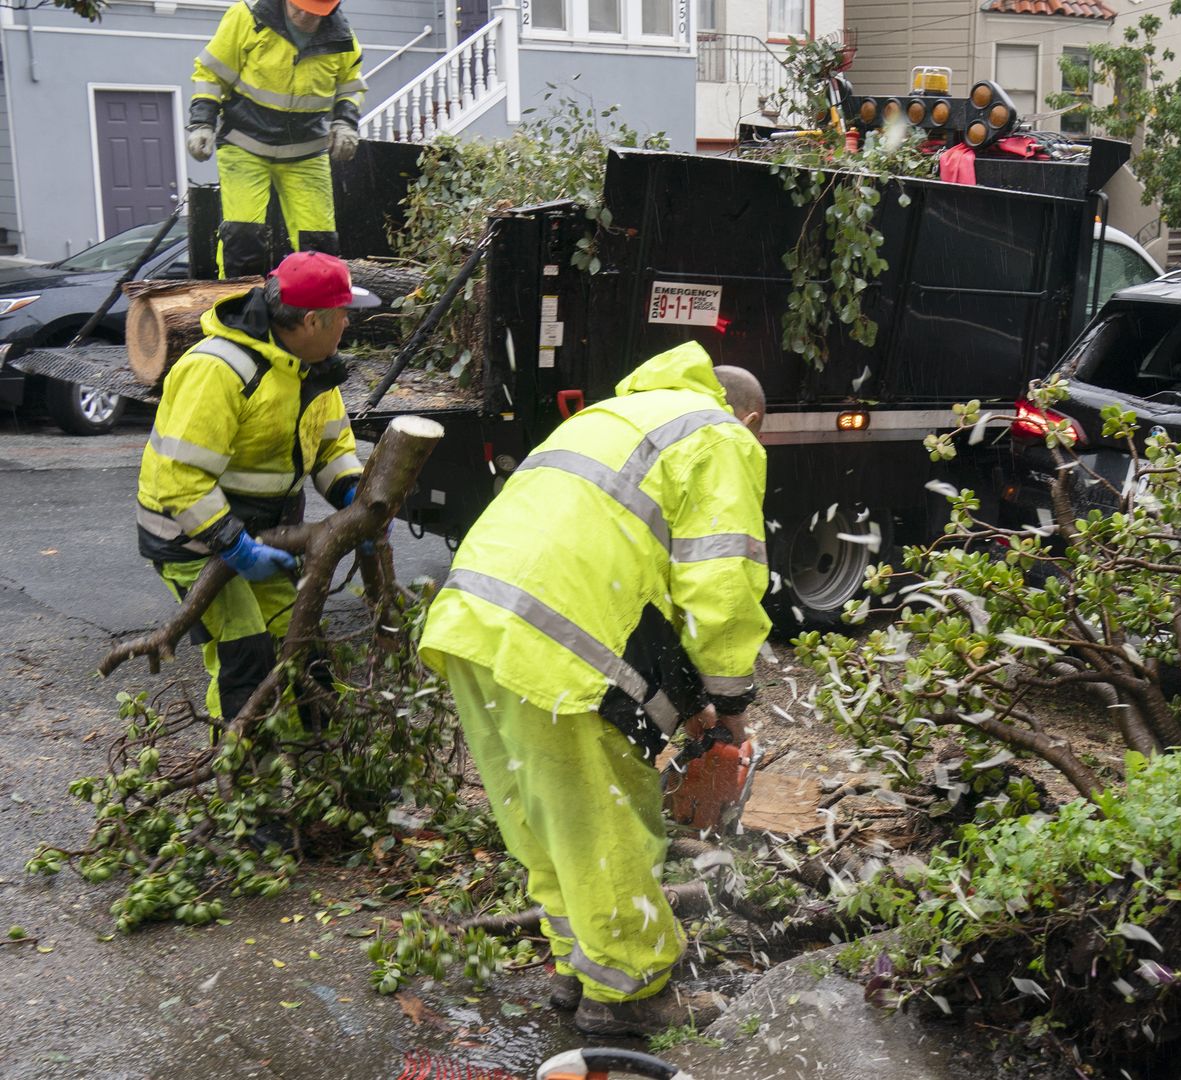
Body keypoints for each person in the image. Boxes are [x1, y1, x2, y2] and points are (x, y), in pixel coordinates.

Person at [419, 341, 771, 1037]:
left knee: (546, 824)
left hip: (472, 623)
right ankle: (631, 991)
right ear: (751, 418)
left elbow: (635, 580)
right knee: (607, 821)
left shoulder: (616, 417)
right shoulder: (719, 435)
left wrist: (694, 712)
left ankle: (582, 971)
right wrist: (730, 708)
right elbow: (719, 583)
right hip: (558, 642)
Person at [136, 251, 380, 721]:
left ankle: (322, 764)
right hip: (191, 540)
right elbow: (181, 478)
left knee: (303, 647)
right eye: (343, 316)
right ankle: (245, 777)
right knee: (245, 657)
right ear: (311, 321)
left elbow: (331, 448)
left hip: (261, 536)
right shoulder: (217, 370)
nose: (347, 326)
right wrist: (235, 545)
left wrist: (356, 497)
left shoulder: (312, 369)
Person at [188, 0, 367, 278]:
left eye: (315, 11)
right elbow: (211, 73)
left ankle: (314, 315)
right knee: (242, 238)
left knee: (320, 247)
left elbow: (351, 85)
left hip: (306, 151)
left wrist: (345, 123)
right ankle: (238, 312)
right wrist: (202, 122)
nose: (306, 15)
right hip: (245, 145)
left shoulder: (342, 38)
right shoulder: (247, 17)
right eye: (300, 7)